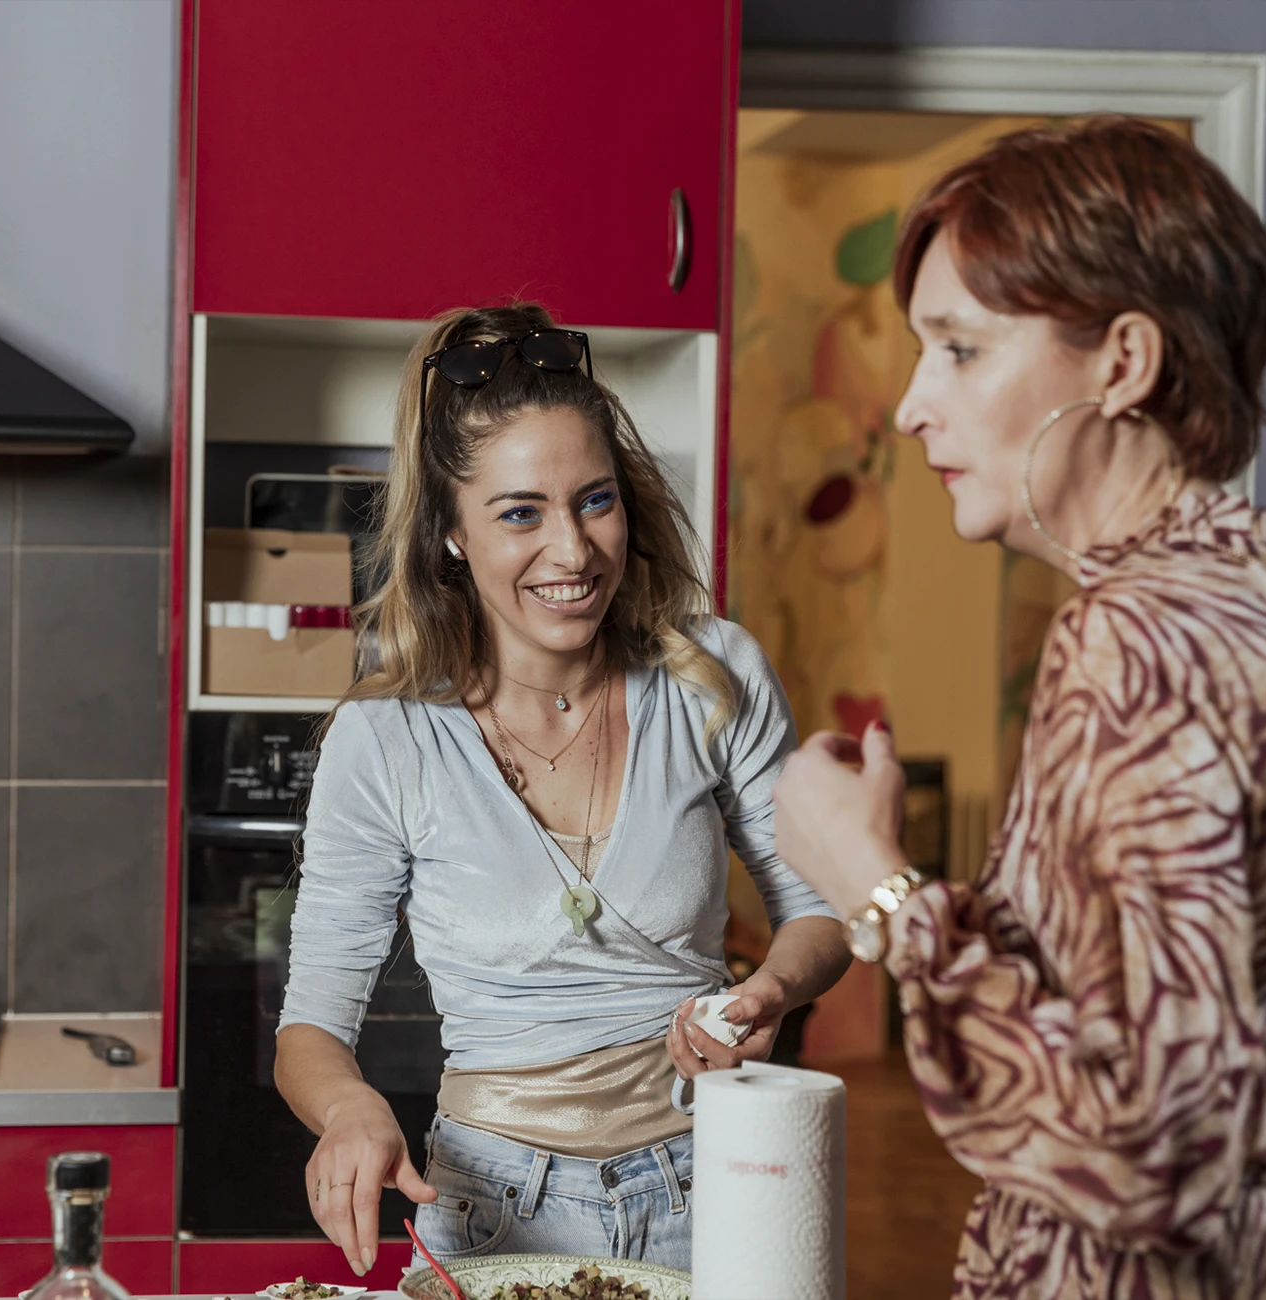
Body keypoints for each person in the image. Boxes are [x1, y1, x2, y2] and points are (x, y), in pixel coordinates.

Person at [772, 117, 1266, 1298]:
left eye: (961, 350)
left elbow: (1146, 1151)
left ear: (1123, 363)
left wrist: (876, 887)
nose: (913, 405)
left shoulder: (1136, 641)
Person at [274, 303, 848, 1278]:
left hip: (714, 1176)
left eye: (595, 499)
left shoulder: (713, 674)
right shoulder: (386, 738)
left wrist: (770, 992)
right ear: (451, 533)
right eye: (519, 513)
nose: (574, 551)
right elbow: (313, 1023)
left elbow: (819, 910)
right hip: (492, 1205)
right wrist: (351, 1107)